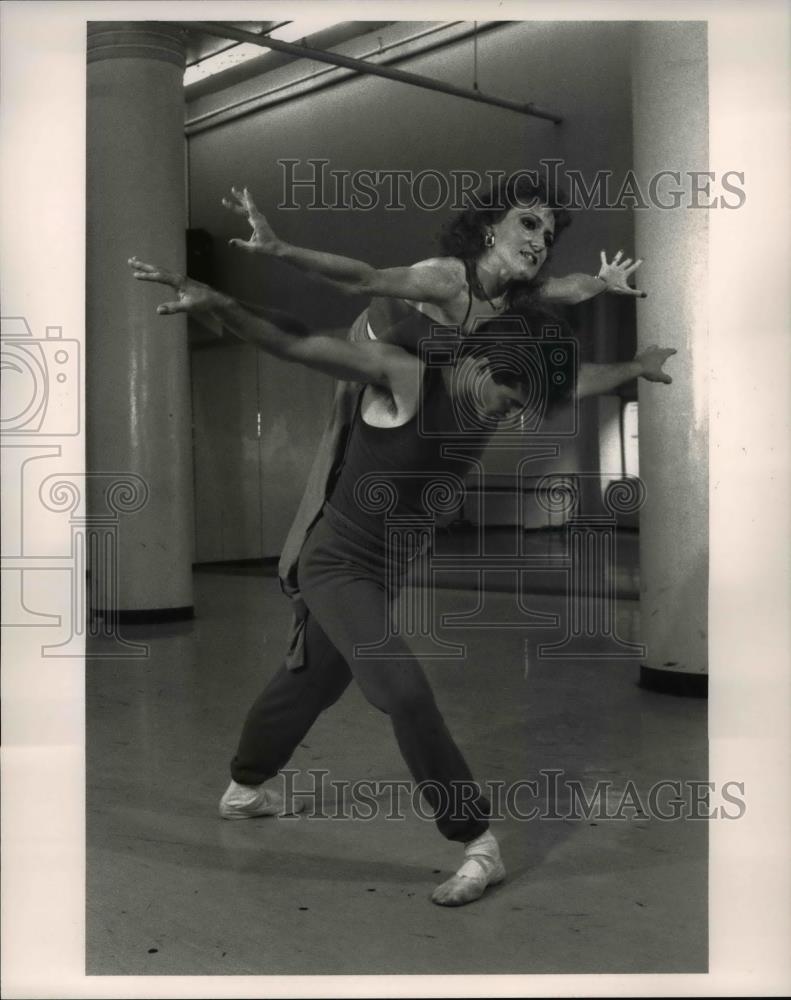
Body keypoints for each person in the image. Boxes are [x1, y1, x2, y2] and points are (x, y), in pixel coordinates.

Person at [128, 255, 675, 906]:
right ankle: (477, 841)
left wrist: (634, 367)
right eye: (505, 394)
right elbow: (292, 340)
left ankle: (243, 787)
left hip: (384, 569)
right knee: (404, 691)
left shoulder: (511, 385)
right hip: (335, 560)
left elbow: (581, 379)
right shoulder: (405, 377)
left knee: (310, 681)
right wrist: (216, 299)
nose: (510, 409)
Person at [221, 174, 650, 670]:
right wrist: (279, 249)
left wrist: (603, 282)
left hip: (421, 379)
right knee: (332, 461)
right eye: (528, 223)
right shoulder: (446, 278)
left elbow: (572, 290)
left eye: (548, 237)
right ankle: (295, 586)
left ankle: (353, 601)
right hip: (374, 356)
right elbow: (362, 277)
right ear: (489, 228)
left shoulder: (517, 296)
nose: (539, 241)